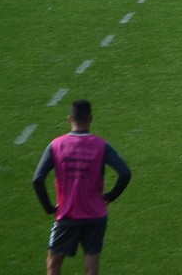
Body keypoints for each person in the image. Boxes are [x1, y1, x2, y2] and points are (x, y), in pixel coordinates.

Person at [33, 99, 131, 275]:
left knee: (53, 264)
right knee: (91, 268)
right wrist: (109, 196)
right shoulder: (102, 146)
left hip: (67, 215)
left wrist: (48, 207)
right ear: (90, 119)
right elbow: (125, 173)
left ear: (70, 118)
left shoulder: (56, 145)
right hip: (96, 215)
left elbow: (38, 179)